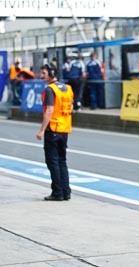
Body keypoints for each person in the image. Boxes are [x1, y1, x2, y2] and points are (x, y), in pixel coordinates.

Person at [36, 63, 74, 201]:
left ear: (51, 74)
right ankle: (66, 191)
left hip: (53, 128)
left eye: (44, 73)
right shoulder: (67, 89)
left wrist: (41, 130)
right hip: (64, 129)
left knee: (52, 161)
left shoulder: (50, 90)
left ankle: (57, 192)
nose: (42, 76)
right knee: (62, 161)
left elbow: (50, 110)